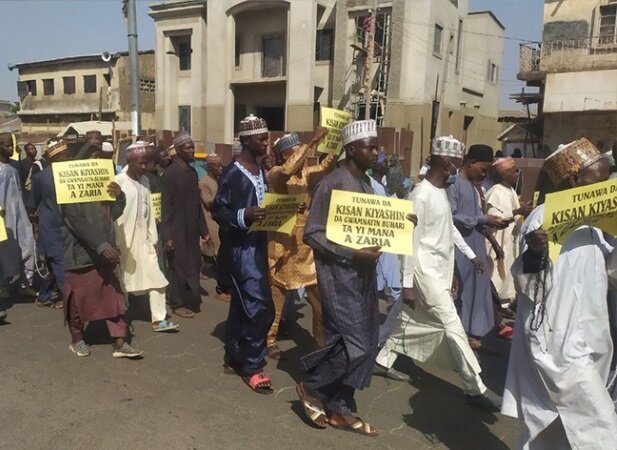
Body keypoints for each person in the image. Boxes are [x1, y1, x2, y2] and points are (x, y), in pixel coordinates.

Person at [502, 138, 617, 449]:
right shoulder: (542, 218)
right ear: (576, 179)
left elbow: (610, 272)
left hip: (590, 339)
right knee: (601, 427)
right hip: (556, 345)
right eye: (600, 180)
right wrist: (535, 255)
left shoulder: (593, 225)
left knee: (552, 431)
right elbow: (531, 288)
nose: (606, 188)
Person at [375, 135, 500, 412]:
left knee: (409, 319)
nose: (459, 168)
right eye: (457, 163)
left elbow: (449, 230)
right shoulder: (419, 195)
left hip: (439, 271)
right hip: (423, 272)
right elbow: (410, 242)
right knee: (453, 327)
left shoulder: (440, 191)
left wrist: (469, 256)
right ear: (446, 163)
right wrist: (407, 284)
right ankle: (475, 387)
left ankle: (381, 360)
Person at [296, 120, 381, 436]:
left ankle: (340, 408)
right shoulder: (332, 183)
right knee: (355, 343)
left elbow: (371, 230)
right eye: (370, 146)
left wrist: (398, 224)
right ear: (351, 149)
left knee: (365, 341)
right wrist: (351, 254)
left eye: (376, 146)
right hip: (339, 276)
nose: (376, 152)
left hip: (364, 277)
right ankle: (313, 388)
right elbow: (312, 234)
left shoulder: (368, 185)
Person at [212, 114, 274, 394]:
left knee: (243, 305)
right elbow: (219, 210)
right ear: (247, 140)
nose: (266, 142)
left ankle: (234, 355)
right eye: (262, 138)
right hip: (240, 250)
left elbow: (264, 203)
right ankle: (252, 365)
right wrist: (243, 214)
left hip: (259, 245)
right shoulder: (233, 173)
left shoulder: (260, 170)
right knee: (261, 307)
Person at [61, 145, 142, 359]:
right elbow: (76, 222)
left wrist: (120, 197)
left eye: (102, 158)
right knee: (77, 301)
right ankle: (77, 339)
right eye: (94, 157)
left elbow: (113, 214)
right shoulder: (69, 187)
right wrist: (101, 246)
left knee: (114, 298)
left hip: (105, 254)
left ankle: (120, 342)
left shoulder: (103, 184)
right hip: (81, 255)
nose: (98, 162)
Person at [265, 128, 333, 359]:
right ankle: (269, 340)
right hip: (281, 245)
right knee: (277, 298)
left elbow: (325, 167)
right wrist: (311, 141)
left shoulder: (306, 174)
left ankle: (319, 342)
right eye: (297, 152)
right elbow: (287, 170)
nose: (303, 157)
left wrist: (338, 143)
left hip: (304, 247)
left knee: (318, 298)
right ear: (285, 155)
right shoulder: (275, 173)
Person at [447, 144, 509, 349]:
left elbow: (477, 220)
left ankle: (471, 333)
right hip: (461, 248)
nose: (484, 174)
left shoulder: (475, 188)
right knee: (460, 292)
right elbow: (452, 217)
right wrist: (482, 219)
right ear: (471, 162)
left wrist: (491, 233)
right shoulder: (454, 184)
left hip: (476, 247)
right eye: (483, 169)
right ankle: (459, 335)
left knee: (476, 291)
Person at [115, 142, 179, 333]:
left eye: (147, 163)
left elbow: (149, 211)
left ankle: (159, 320)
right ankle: (121, 319)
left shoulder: (145, 181)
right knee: (123, 280)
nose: (144, 167)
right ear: (129, 161)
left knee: (157, 278)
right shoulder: (118, 181)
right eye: (141, 163)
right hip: (124, 240)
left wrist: (153, 236)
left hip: (144, 240)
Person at [161, 133, 208, 318]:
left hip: (192, 229)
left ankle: (188, 297)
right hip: (176, 229)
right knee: (177, 267)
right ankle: (177, 304)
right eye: (187, 148)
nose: (191, 150)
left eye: (192, 147)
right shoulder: (170, 174)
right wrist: (167, 236)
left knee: (194, 263)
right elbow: (165, 206)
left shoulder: (192, 172)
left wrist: (203, 229)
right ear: (178, 150)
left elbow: (197, 204)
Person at [485, 157, 531, 309]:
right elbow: (494, 218)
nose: (517, 174)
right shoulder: (496, 192)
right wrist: (518, 211)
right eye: (513, 171)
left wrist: (520, 208)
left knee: (509, 272)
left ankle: (505, 303)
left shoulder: (510, 190)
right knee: (497, 273)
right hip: (498, 240)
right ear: (504, 175)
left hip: (510, 239)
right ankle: (495, 305)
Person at [28, 140, 69, 309]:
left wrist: (35, 224)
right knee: (58, 263)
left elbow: (32, 204)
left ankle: (45, 296)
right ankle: (69, 298)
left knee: (54, 261)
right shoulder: (72, 174)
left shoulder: (40, 178)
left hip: (49, 226)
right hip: (65, 226)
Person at [0, 132, 35, 300]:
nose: (10, 148)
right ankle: (3, 285)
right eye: (7, 145)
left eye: (11, 145)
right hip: (4, 215)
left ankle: (24, 283)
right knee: (5, 251)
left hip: (20, 211)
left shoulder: (14, 165)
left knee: (27, 244)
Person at [198, 153, 229, 301]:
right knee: (220, 255)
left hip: (222, 221)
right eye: (217, 166)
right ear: (210, 167)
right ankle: (221, 289)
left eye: (221, 165)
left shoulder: (220, 180)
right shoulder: (204, 182)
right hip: (211, 222)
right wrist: (223, 195)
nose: (220, 168)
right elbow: (208, 201)